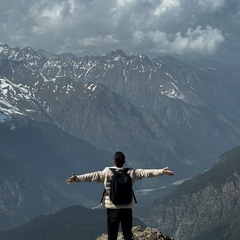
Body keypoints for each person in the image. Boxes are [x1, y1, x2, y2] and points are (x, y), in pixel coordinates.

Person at [66, 151, 174, 240]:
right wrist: (162, 171)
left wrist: (76, 178)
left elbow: (92, 176)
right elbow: (146, 173)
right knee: (127, 234)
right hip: (127, 207)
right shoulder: (131, 172)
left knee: (112, 235)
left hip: (112, 208)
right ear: (124, 161)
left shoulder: (107, 172)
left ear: (113, 161)